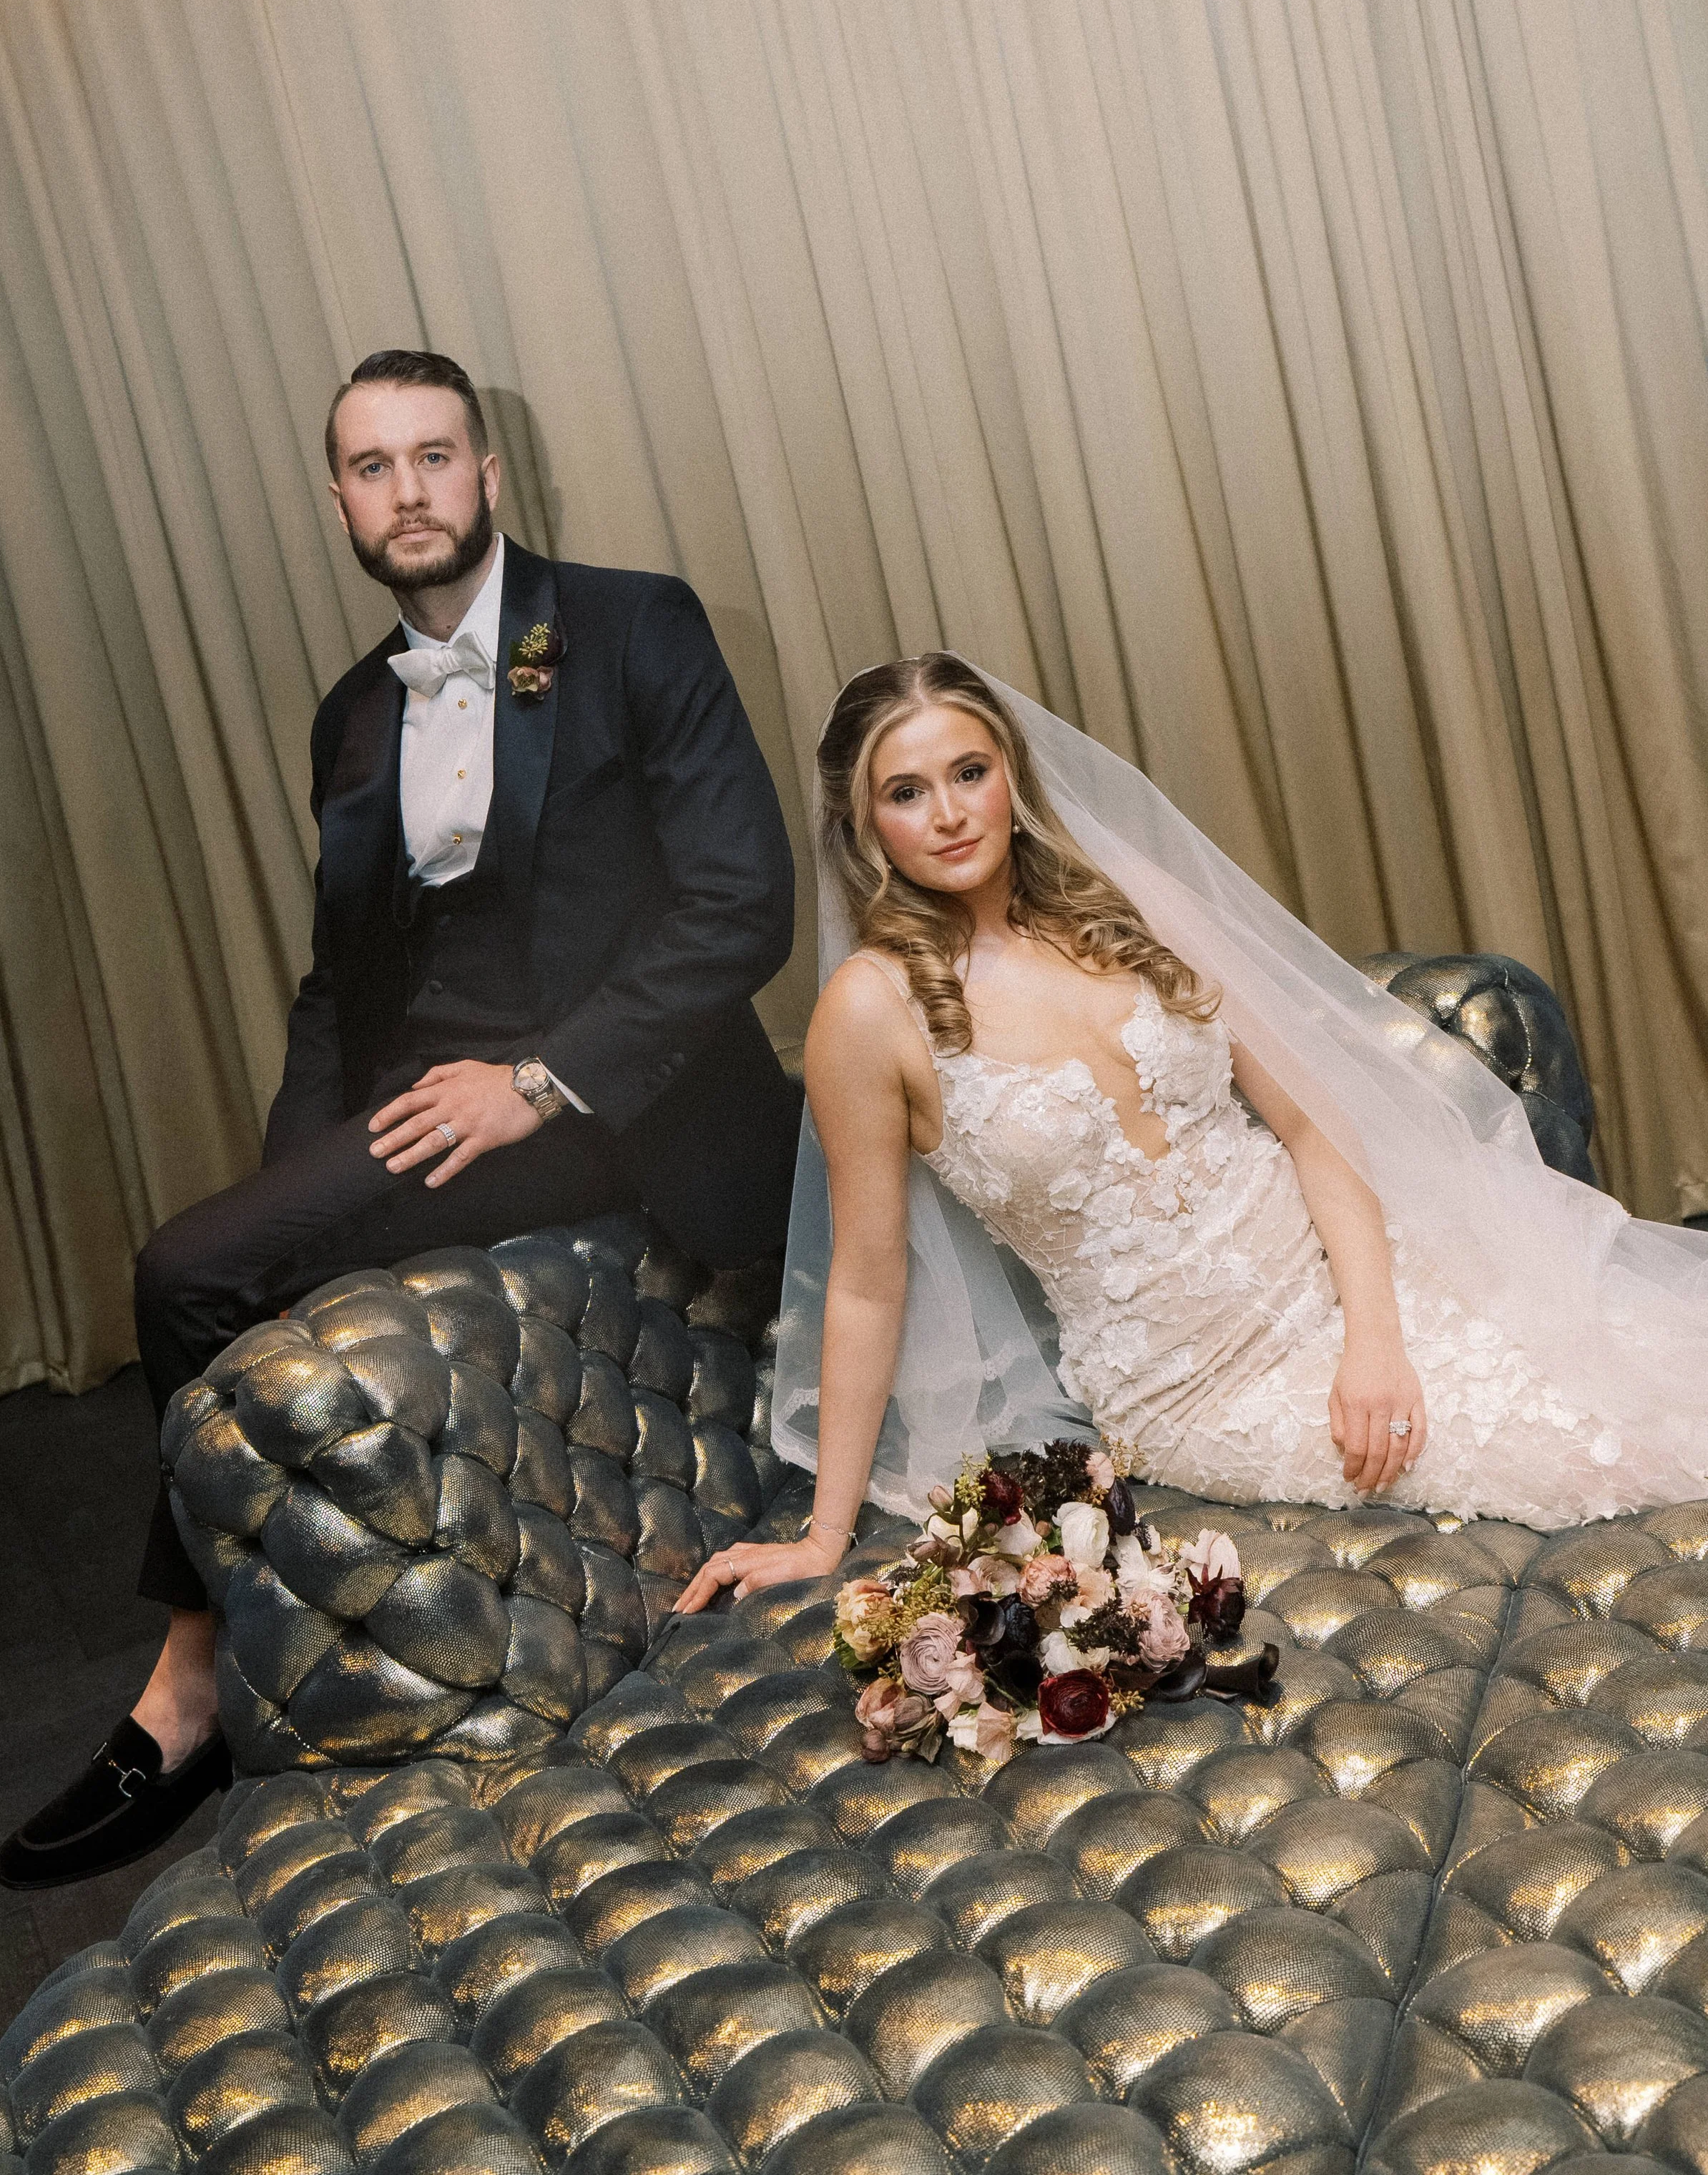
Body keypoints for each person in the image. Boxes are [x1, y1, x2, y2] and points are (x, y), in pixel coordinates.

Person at [0, 348, 803, 1887]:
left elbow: (736, 905)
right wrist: (294, 1178)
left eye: (435, 458)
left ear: (487, 473)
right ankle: (208, 1674)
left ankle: (181, 1692)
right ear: (340, 500)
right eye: (374, 468)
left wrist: (538, 1080)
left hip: (607, 1101)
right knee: (226, 1259)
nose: (409, 492)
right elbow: (337, 988)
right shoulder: (351, 715)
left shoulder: (635, 625)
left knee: (185, 1279)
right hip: (427, 1096)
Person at [677, 653, 1708, 1614]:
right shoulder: (871, 1010)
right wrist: (824, 1536)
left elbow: (1312, 1120)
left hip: (1357, 1272)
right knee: (1597, 1456)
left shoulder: (1126, 904)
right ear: (864, 827)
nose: (948, 813)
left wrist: (1375, 1340)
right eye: (907, 792)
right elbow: (865, 1280)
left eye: (969, 771)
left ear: (1011, 775)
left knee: (1652, 1356)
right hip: (1203, 1384)